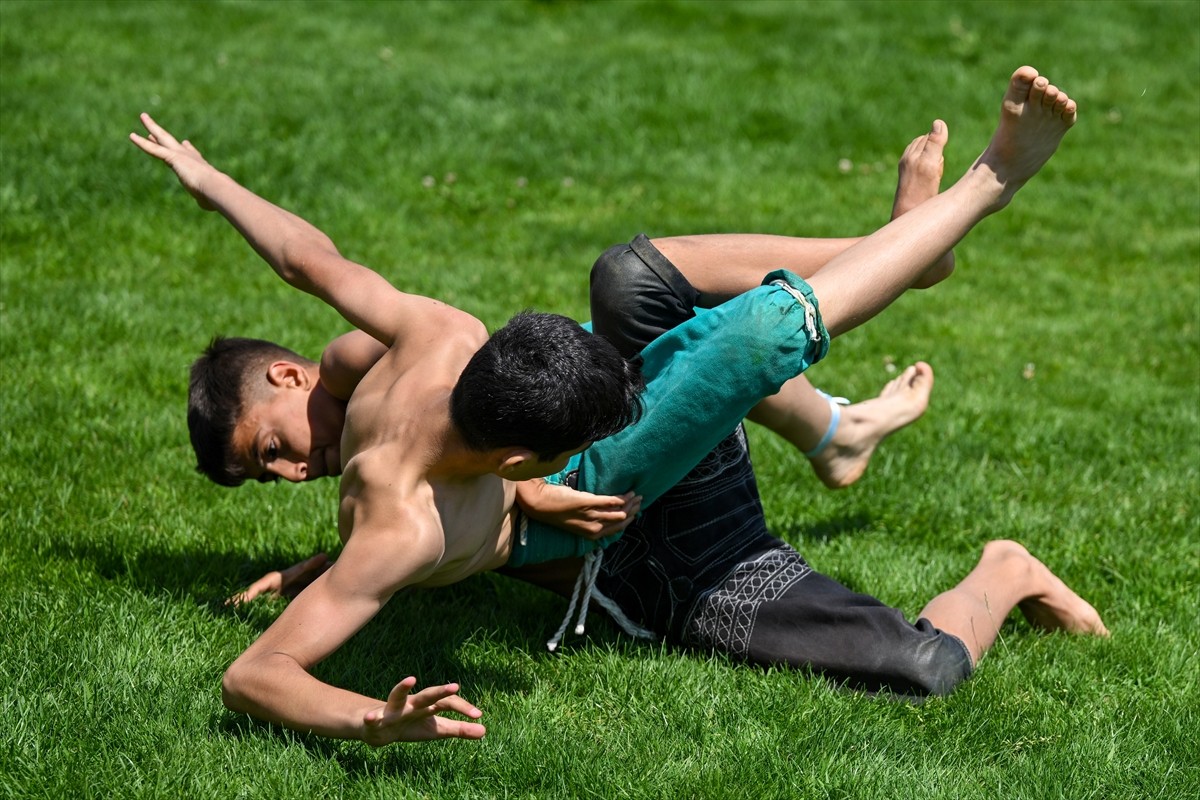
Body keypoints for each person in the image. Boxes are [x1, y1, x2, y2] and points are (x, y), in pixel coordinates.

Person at [132, 66, 1107, 746]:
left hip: (597, 477)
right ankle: (1007, 565)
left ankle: (967, 203)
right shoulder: (400, 504)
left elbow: (307, 258)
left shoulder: (418, 348)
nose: (286, 470)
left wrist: (211, 181)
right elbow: (254, 675)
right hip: (657, 565)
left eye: (266, 449)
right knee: (924, 667)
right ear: (523, 458)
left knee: (641, 283)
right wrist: (370, 718)